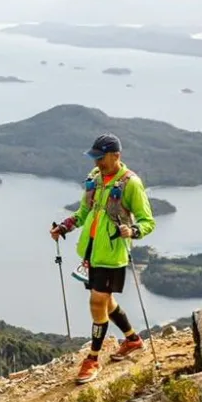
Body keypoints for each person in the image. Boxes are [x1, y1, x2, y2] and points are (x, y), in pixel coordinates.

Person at [50, 132, 156, 384]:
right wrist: (64, 227)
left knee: (97, 301)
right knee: (105, 302)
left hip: (112, 255)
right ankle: (132, 340)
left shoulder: (131, 183)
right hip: (91, 252)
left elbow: (147, 221)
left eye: (101, 157)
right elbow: (84, 212)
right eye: (95, 157)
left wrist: (134, 231)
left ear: (116, 155)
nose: (97, 162)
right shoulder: (94, 179)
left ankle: (93, 359)